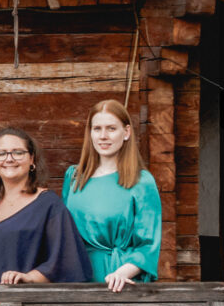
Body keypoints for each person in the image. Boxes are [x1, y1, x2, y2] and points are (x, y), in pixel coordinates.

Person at [0, 127, 93, 284]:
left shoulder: (49, 205)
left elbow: (66, 260)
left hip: (28, 301)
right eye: (2, 153)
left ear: (32, 159)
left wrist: (29, 278)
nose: (9, 159)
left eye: (18, 152)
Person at [66, 99, 164, 292]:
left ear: (126, 132)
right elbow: (62, 233)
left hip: (117, 280)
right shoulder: (74, 177)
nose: (103, 136)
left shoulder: (141, 181)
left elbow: (148, 245)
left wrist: (122, 273)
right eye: (97, 129)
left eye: (111, 128)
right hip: (75, 276)